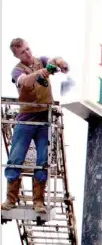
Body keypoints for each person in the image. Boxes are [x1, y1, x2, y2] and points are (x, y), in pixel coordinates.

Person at [1, 38, 69, 213]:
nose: (28, 53)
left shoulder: (41, 61)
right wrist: (43, 72)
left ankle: (38, 201)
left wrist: (60, 63)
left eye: (28, 49)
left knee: (42, 160)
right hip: (26, 119)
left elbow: (54, 60)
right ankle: (11, 199)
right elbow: (25, 81)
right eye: (23, 52)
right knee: (16, 158)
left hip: (44, 119)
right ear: (17, 55)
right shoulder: (17, 71)